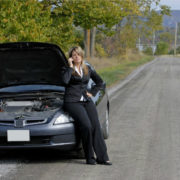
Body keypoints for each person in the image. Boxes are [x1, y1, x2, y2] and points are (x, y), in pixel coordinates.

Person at [61, 46, 112, 165]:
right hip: (72, 101)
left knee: (96, 126)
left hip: (86, 100)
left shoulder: (87, 68)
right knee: (87, 126)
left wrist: (92, 93)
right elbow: (64, 81)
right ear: (71, 57)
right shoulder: (66, 69)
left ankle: (103, 157)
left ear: (82, 55)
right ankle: (90, 157)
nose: (76, 56)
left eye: (78, 54)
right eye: (74, 55)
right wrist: (69, 67)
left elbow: (99, 82)